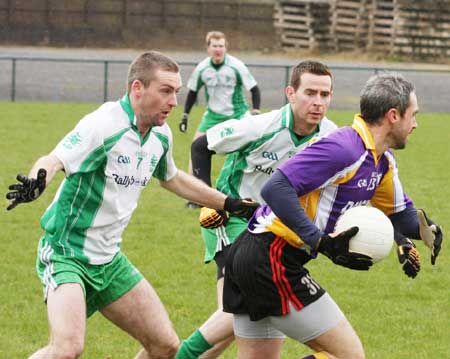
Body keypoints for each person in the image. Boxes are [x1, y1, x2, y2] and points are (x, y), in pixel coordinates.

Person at [5, 51, 258, 359]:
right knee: (67, 349)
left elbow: (173, 178)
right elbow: (55, 159)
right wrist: (37, 180)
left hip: (110, 260)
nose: (174, 102)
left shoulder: (160, 135)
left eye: (176, 92)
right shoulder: (103, 124)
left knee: (165, 348)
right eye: (165, 91)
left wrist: (229, 203)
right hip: (66, 254)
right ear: (138, 88)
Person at [222, 72, 443, 359]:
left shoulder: (381, 162)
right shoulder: (344, 147)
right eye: (412, 115)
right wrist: (320, 241)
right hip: (270, 256)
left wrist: (427, 230)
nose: (415, 124)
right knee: (349, 355)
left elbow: (399, 215)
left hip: (257, 256)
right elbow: (276, 188)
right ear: (393, 115)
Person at [176, 61, 338, 358]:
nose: (318, 102)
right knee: (244, 304)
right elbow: (201, 146)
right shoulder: (259, 126)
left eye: (325, 94)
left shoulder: (330, 137)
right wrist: (207, 203)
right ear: (291, 93)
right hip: (232, 220)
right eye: (310, 93)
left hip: (273, 230)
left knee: (239, 314)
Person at [178, 31, 261, 208]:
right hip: (212, 116)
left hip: (237, 114)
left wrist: (256, 111)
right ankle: (196, 198)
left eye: (221, 46)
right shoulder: (202, 68)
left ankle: (247, 193)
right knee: (195, 149)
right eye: (214, 46)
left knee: (251, 151)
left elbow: (254, 88)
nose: (218, 49)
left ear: (225, 47)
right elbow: (192, 93)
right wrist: (185, 115)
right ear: (208, 48)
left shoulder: (236, 66)